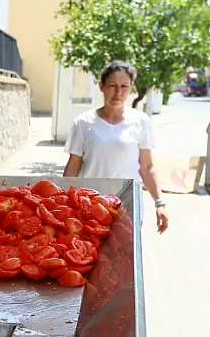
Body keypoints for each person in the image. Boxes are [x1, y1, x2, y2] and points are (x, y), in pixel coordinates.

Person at [63, 61, 169, 234]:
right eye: (112, 85)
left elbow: (147, 167)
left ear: (130, 88)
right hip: (89, 205)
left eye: (124, 86)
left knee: (124, 256)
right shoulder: (83, 122)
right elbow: (73, 165)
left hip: (126, 206)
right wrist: (64, 202)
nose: (118, 92)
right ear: (101, 86)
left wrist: (160, 204)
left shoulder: (141, 121)